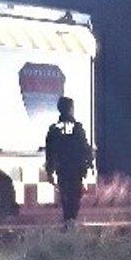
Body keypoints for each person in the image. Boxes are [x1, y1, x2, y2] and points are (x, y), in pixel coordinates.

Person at [45, 96, 92, 225]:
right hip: (76, 170)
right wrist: (89, 165)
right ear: (70, 109)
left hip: (62, 169)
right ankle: (71, 221)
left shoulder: (54, 128)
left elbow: (49, 152)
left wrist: (49, 171)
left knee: (65, 196)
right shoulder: (77, 127)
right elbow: (85, 148)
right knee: (74, 198)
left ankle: (67, 221)